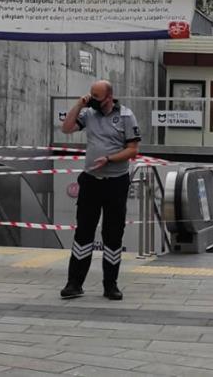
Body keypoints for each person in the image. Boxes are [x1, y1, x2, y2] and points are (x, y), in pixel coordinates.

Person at [59, 80, 141, 301]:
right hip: (91, 181)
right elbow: (66, 128)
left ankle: (110, 284)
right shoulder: (88, 114)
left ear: (109, 97)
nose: (93, 100)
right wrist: (79, 105)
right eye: (91, 95)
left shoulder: (125, 116)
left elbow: (133, 150)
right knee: (83, 231)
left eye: (97, 97)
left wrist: (109, 159)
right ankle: (74, 283)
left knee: (113, 234)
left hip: (116, 182)